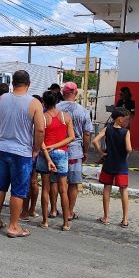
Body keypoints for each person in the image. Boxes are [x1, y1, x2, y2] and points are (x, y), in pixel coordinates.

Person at [0, 70, 45, 238]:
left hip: (2, 148)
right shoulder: (34, 103)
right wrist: (36, 148)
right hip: (22, 152)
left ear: (13, 83)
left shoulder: (1, 99)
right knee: (18, 189)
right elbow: (40, 129)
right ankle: (14, 226)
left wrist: (2, 137)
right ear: (28, 84)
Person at [36, 90, 75, 230]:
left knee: (45, 189)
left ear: (44, 102)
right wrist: (57, 146)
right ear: (57, 101)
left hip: (45, 153)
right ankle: (65, 223)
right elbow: (71, 137)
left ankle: (45, 221)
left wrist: (47, 150)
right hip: (62, 153)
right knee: (63, 189)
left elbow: (39, 139)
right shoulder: (66, 117)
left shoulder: (42, 117)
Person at [56, 82, 93, 220]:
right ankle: (69, 212)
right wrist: (85, 151)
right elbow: (87, 133)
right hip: (75, 151)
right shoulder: (83, 111)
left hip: (57, 149)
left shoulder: (55, 108)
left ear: (62, 93)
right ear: (76, 94)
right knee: (73, 183)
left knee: (56, 182)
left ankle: (54, 209)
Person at [92, 107, 132, 227]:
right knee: (123, 190)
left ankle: (106, 217)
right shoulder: (126, 132)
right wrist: (127, 153)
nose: (127, 122)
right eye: (126, 119)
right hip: (121, 165)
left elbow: (95, 141)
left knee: (107, 189)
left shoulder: (107, 129)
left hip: (108, 163)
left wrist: (101, 152)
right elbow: (129, 148)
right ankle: (125, 219)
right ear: (120, 119)